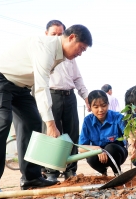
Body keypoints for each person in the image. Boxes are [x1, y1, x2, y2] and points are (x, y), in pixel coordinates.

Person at [0, 24, 93, 194]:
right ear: (71, 38)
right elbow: (41, 87)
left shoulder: (60, 55)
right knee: (3, 120)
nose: (80, 53)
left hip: (20, 87)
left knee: (32, 122)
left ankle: (31, 178)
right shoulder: (46, 48)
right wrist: (52, 125)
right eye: (81, 48)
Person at [42, 20, 90, 182]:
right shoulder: (44, 53)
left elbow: (77, 78)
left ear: (67, 37)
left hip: (69, 97)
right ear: (46, 35)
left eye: (59, 34)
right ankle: (51, 172)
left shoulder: (71, 56)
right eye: (53, 34)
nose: (57, 37)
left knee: (71, 134)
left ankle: (71, 171)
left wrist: (85, 95)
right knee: (52, 134)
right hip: (52, 95)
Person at [78, 90, 128, 176]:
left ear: (108, 104)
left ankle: (117, 173)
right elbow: (81, 148)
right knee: (91, 156)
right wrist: (97, 149)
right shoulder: (87, 121)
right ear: (90, 107)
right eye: (96, 107)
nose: (100, 110)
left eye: (103, 106)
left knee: (110, 148)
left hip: (118, 153)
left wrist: (132, 145)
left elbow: (129, 134)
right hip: (99, 156)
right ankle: (102, 171)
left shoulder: (117, 117)